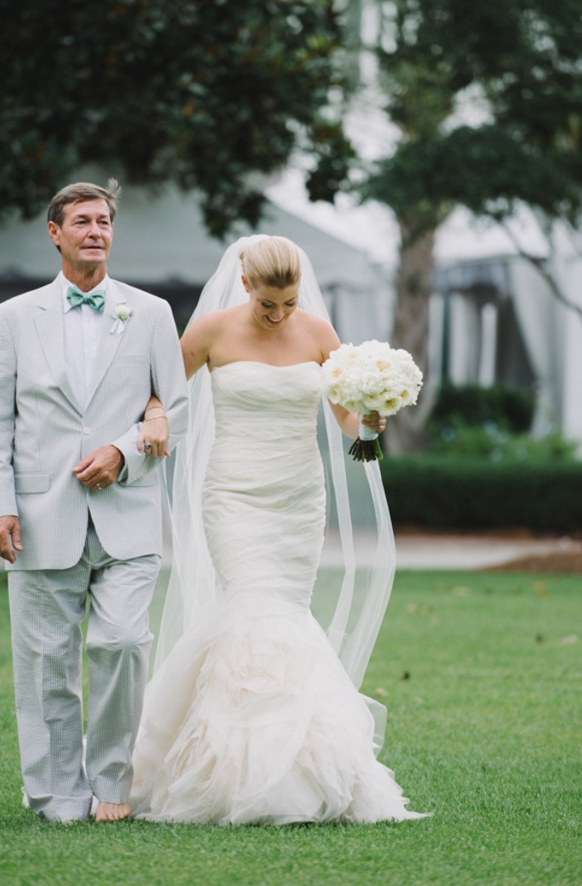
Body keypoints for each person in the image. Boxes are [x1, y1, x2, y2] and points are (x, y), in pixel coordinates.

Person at [129, 235, 425, 824]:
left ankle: (302, 772)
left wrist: (370, 419)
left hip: (297, 498)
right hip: (233, 495)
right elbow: (157, 391)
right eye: (269, 303)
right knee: (251, 610)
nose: (279, 314)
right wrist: (154, 418)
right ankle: (225, 773)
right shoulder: (211, 331)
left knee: (285, 615)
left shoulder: (318, 334)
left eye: (288, 303)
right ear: (246, 285)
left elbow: (347, 422)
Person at [0, 180, 188, 823]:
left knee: (122, 644)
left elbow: (175, 405)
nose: (95, 230)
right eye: (82, 221)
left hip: (129, 518)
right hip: (41, 515)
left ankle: (113, 782)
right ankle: (56, 795)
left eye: (104, 221)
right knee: (46, 664)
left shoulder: (151, 312)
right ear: (55, 232)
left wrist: (125, 451)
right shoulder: (12, 317)